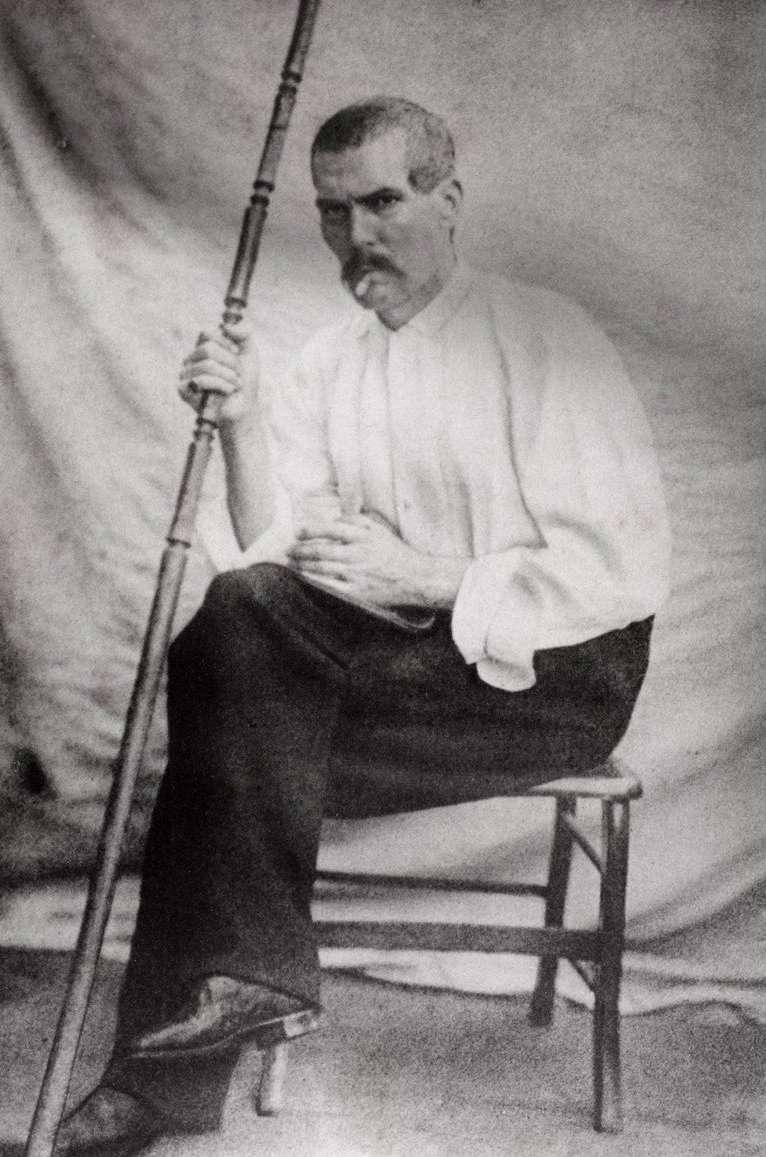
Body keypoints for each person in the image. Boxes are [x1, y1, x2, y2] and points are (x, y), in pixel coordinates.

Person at [56, 97, 670, 1155]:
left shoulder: (542, 337)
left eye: (382, 203)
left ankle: (178, 1064)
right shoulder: (331, 360)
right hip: (404, 670)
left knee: (227, 730)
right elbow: (267, 561)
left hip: (552, 683)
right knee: (237, 634)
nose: (356, 236)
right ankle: (242, 983)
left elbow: (618, 570)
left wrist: (428, 575)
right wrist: (241, 421)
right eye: (334, 212)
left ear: (449, 201)